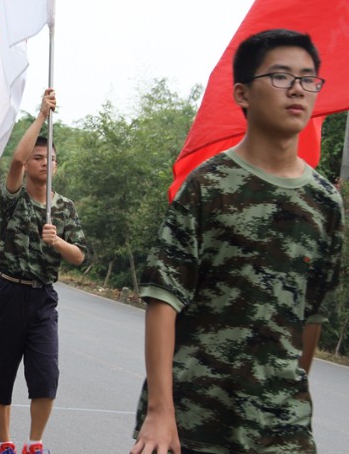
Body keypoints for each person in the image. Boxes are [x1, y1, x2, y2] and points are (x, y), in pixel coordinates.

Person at [130, 29, 343, 454]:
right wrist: (160, 411)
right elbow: (163, 298)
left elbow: (313, 314)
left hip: (282, 427)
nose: (298, 89)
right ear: (243, 94)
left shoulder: (325, 201)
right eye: (281, 76)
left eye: (309, 78)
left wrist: (286, 396)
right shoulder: (208, 186)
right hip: (194, 418)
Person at [0, 90, 86, 454]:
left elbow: (80, 256)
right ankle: (5, 443)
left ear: (56, 166)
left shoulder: (65, 209)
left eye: (49, 158)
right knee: (0, 372)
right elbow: (15, 160)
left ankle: (34, 443)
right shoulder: (15, 198)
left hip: (42, 298)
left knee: (45, 374)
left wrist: (58, 243)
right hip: (8, 292)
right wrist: (41, 115)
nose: (42, 162)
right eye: (38, 157)